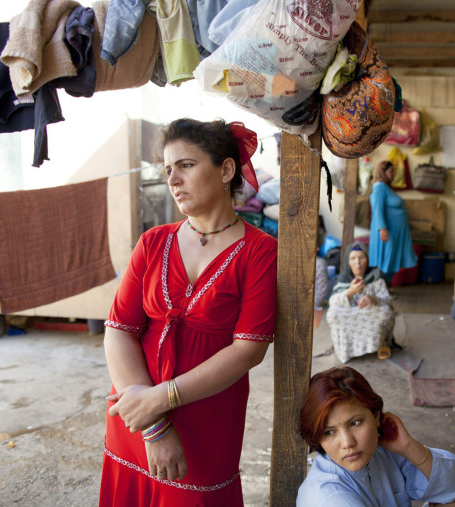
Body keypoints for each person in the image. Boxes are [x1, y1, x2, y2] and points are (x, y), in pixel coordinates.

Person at [99, 119, 277, 505]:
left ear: (226, 170)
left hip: (207, 422)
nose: (173, 179)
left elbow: (248, 350)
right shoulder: (152, 242)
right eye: (167, 170)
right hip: (136, 416)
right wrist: (154, 426)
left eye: (186, 165)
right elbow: (118, 330)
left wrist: (161, 400)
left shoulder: (261, 252)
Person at [297, 366, 455, 506]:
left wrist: (408, 446)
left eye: (355, 423)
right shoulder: (328, 497)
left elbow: (453, 488)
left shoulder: (382, 453)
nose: (348, 443)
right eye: (329, 432)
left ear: (376, 416)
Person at [326, 242, 396, 362]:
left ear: (367, 259)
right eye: (353, 258)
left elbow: (388, 301)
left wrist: (373, 299)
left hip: (371, 311)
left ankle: (382, 344)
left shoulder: (376, 275)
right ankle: (346, 349)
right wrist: (350, 292)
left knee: (386, 312)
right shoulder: (343, 278)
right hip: (350, 312)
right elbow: (333, 301)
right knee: (333, 313)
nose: (357, 263)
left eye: (361, 258)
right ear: (348, 262)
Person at [369, 160, 418, 286]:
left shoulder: (385, 188)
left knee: (391, 262)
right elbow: (377, 210)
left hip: (395, 233)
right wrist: (382, 228)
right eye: (391, 171)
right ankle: (378, 290)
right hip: (387, 233)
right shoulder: (379, 188)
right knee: (386, 261)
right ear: (382, 173)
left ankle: (383, 289)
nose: (394, 174)